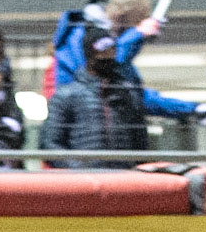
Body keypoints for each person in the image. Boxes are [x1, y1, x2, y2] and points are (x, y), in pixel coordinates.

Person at [54, 0, 206, 129]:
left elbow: (135, 96)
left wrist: (191, 109)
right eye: (135, 23)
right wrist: (137, 34)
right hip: (86, 129)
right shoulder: (81, 37)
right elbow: (97, 75)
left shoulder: (117, 46)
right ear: (122, 18)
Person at [41, 28, 154, 164]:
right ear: (89, 56)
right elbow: (50, 144)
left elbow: (140, 143)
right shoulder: (67, 96)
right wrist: (77, 169)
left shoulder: (128, 94)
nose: (107, 58)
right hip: (84, 180)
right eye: (101, 55)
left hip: (123, 179)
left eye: (111, 52)